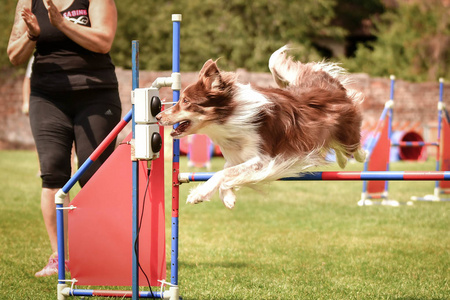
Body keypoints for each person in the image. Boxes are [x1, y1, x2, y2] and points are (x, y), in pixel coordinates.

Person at [7, 0, 122, 277]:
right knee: (53, 172)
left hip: (96, 95)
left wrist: (61, 23)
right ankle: (60, 256)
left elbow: (104, 41)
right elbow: (13, 55)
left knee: (93, 175)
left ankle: (99, 250)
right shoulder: (29, 1)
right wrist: (32, 35)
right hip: (47, 97)